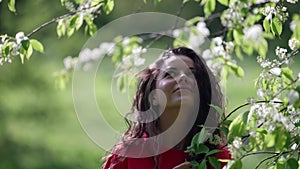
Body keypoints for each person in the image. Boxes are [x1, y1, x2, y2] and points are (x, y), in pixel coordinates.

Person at [102, 47, 231, 169]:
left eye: (192, 74)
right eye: (170, 74)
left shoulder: (219, 157)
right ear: (153, 96)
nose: (183, 77)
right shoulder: (127, 155)